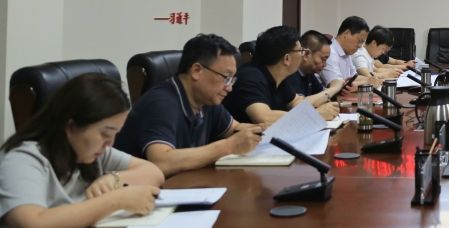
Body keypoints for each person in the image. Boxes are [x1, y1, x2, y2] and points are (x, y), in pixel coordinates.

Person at [0, 74, 164, 228]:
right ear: (71, 126)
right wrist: (117, 200)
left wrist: (114, 179)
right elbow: (31, 227)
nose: (110, 143)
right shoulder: (23, 159)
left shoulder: (91, 151)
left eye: (115, 134)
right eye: (105, 134)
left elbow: (153, 172)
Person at [115, 34, 265, 176]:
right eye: (226, 78)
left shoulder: (207, 99)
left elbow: (235, 129)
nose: (229, 88)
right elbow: (162, 162)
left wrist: (263, 130)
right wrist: (228, 146)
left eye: (232, 80)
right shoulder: (161, 103)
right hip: (138, 189)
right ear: (196, 71)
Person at [223, 26, 321, 124]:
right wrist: (317, 114)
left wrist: (312, 111)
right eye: (301, 51)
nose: (303, 55)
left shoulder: (278, 76)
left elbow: (296, 102)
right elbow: (264, 117)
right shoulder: (250, 76)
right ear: (287, 58)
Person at [276, 30, 344, 118]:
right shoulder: (289, 74)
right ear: (306, 54)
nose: (325, 64)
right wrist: (334, 88)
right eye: (323, 59)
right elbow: (299, 106)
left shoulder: (309, 73)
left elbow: (323, 98)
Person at [321, 16, 372, 87]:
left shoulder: (346, 52)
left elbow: (354, 77)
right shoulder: (330, 53)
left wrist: (371, 79)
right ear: (346, 33)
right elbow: (337, 85)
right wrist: (368, 81)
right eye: (359, 41)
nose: (360, 46)